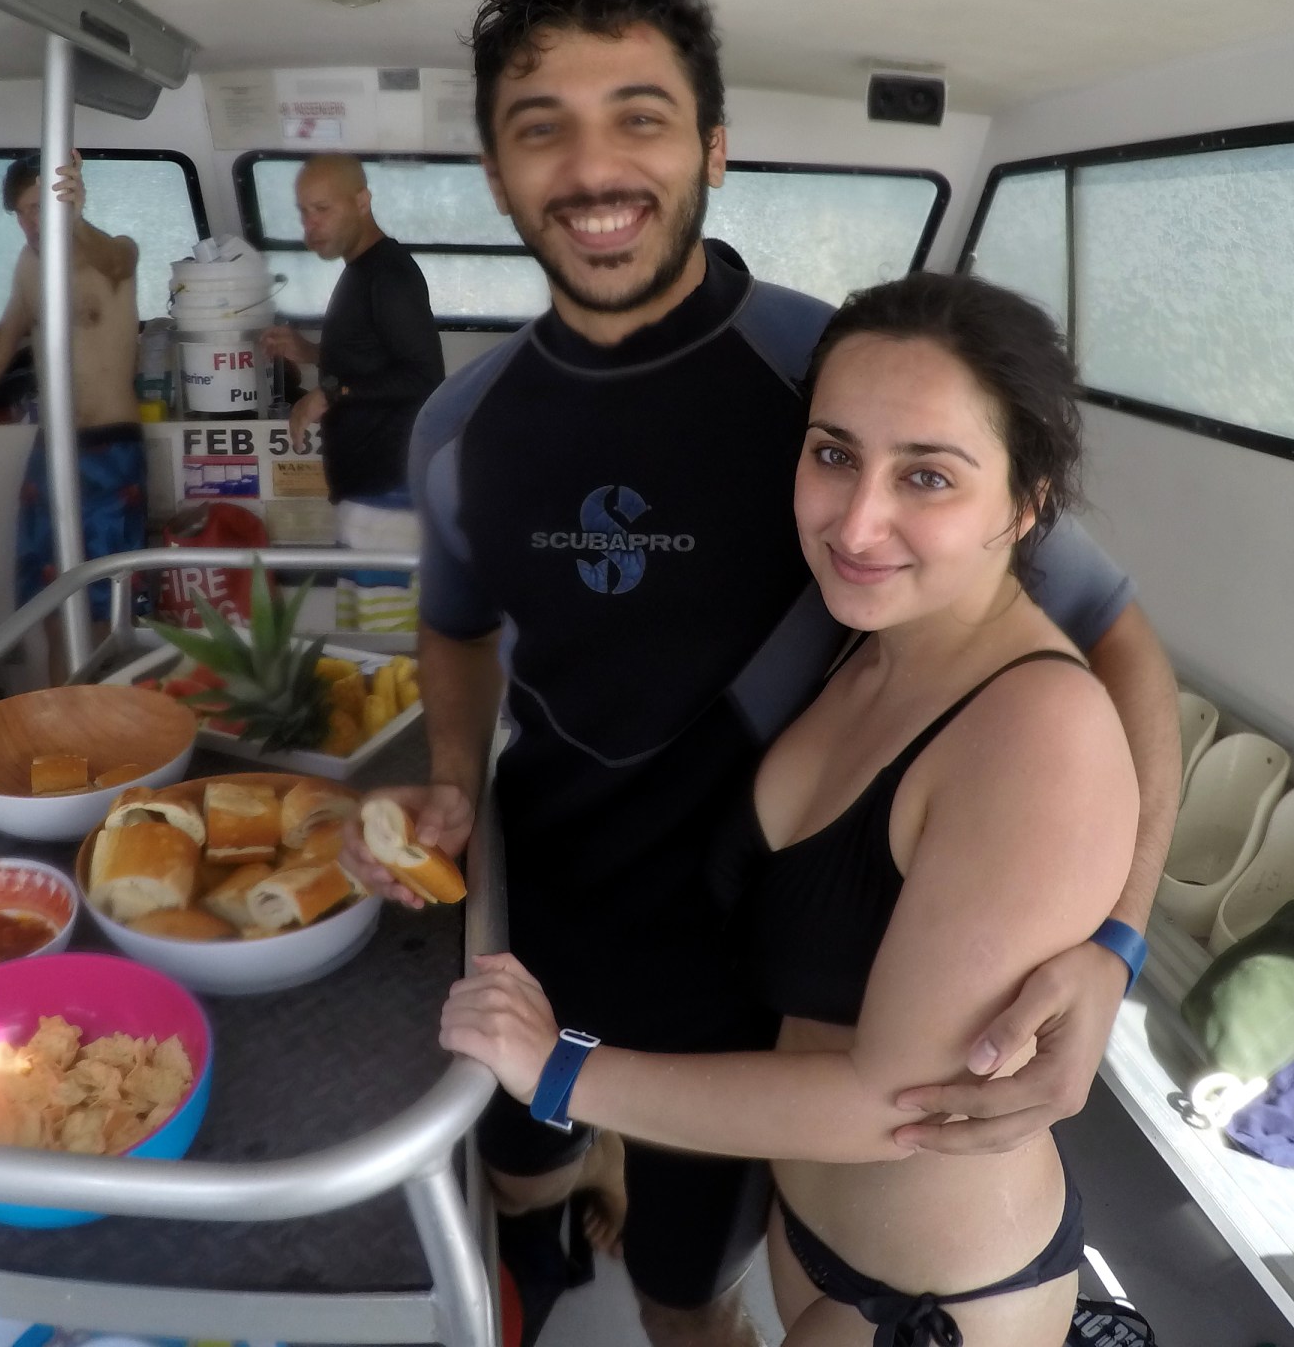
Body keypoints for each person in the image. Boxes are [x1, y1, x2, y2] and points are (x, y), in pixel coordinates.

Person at [359, 0, 1184, 1347]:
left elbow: (1121, 650)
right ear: (496, 174)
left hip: (758, 967)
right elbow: (453, 629)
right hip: (543, 893)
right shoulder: (461, 426)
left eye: (642, 113)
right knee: (519, 1174)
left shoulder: (840, 375)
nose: (594, 165)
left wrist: (1116, 940)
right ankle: (553, 1229)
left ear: (714, 148)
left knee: (690, 1292)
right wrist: (449, 769)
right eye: (539, 125)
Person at [445, 273, 1136, 1347]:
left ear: (1027, 500)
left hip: (936, 1299)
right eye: (833, 454)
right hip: (810, 1237)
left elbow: (890, 1100)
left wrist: (561, 1071)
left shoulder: (1037, 731)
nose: (859, 522)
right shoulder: (873, 641)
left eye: (929, 476)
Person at [0, 154, 146, 679]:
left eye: (39, 209)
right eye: (22, 214)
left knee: (103, 609)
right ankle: (63, 726)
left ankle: (105, 728)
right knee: (51, 606)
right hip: (53, 450)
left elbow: (114, 257)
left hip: (111, 450)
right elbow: (3, 343)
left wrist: (74, 219)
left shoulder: (114, 253)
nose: (31, 224)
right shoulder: (28, 264)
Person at [259, 153, 445, 631]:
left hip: (390, 491)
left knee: (388, 651)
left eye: (322, 209)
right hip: (366, 490)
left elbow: (423, 377)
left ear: (362, 201)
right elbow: (373, 361)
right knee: (366, 637)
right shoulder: (359, 271)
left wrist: (330, 393)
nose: (310, 225)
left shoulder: (390, 274)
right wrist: (310, 352)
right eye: (303, 212)